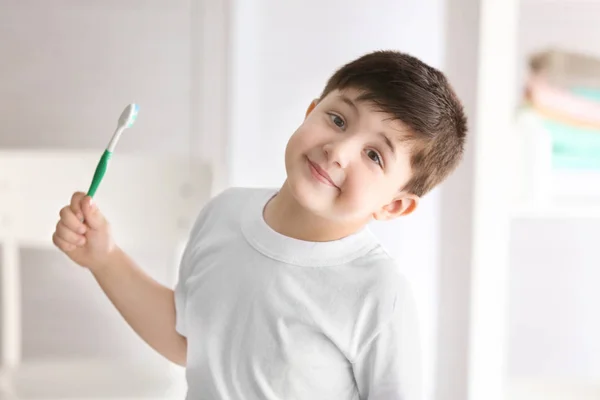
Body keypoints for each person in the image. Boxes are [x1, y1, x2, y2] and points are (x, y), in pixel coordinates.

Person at [52, 50, 467, 399]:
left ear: (394, 206)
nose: (338, 151)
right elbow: (189, 342)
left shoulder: (379, 294)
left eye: (374, 155)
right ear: (310, 112)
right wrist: (103, 258)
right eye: (338, 120)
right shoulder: (223, 214)